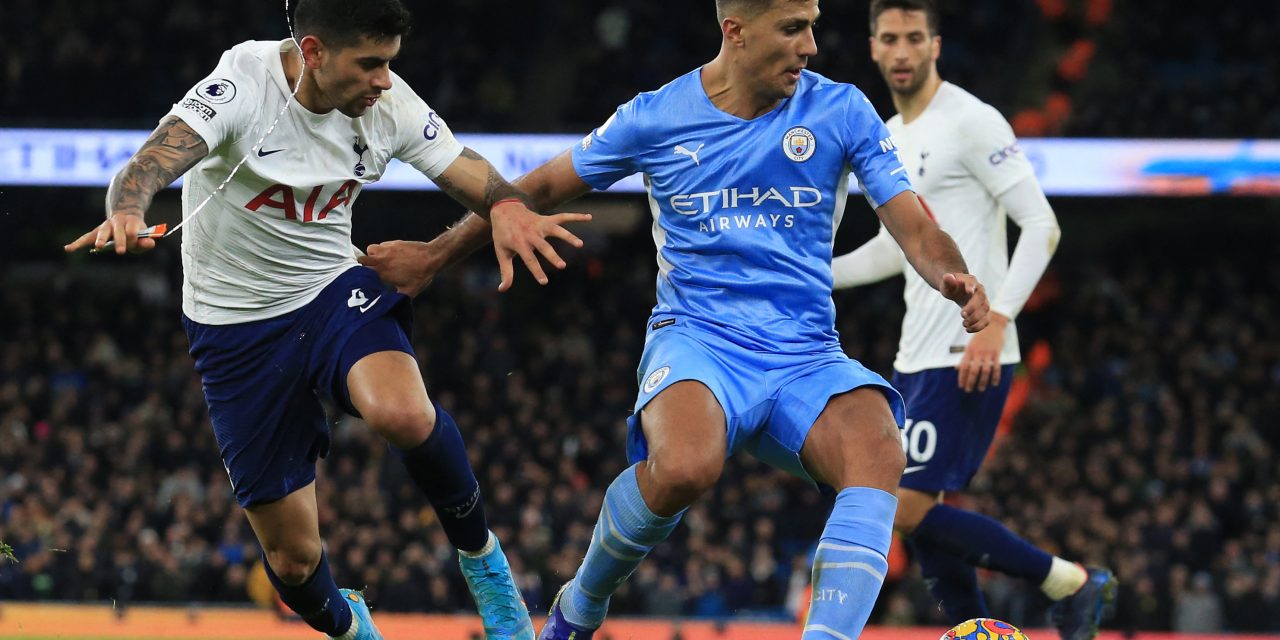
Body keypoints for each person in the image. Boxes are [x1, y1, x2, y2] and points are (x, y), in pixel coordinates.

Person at [363, 1, 991, 637]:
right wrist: (435, 255)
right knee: (687, 467)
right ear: (736, 31)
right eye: (793, 28)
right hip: (698, 342)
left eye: (812, 25)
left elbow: (914, 224)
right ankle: (579, 607)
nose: (811, 47)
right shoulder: (656, 115)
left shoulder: (841, 109)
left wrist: (951, 276)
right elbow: (539, 189)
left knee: (879, 448)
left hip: (806, 353)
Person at [63, 1, 589, 638]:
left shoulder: (390, 106)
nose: (384, 81)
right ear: (312, 52)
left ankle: (487, 571)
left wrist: (505, 204)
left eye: (390, 63)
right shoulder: (241, 85)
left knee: (403, 413)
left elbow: (471, 173)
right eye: (369, 64)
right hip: (235, 329)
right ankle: (352, 629)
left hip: (330, 290)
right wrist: (126, 208)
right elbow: (149, 162)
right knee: (293, 560)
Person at [830, 1, 1115, 638]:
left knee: (900, 505)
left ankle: (1068, 580)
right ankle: (972, 628)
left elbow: (1042, 224)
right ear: (872, 48)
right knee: (916, 510)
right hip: (914, 358)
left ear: (936, 44)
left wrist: (998, 322)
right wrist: (817, 276)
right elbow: (894, 248)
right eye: (889, 39)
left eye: (913, 38)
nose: (901, 51)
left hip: (967, 351)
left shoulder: (972, 121)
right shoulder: (888, 136)